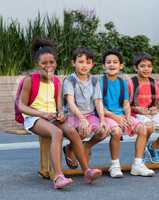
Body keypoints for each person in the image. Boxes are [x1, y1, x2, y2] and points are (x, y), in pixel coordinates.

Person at [17, 38, 101, 189]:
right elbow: (21, 105)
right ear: (37, 64)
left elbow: (59, 106)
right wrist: (41, 113)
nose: (48, 66)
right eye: (44, 63)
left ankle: (86, 170)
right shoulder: (30, 80)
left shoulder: (57, 82)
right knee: (57, 133)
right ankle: (58, 176)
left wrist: (61, 113)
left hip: (51, 117)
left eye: (52, 62)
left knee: (71, 131)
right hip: (34, 118)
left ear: (56, 63)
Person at [100, 49, 155, 177]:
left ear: (121, 66)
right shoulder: (100, 82)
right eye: (108, 62)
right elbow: (99, 107)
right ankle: (115, 165)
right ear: (104, 66)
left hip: (122, 115)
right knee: (117, 132)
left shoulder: (122, 82)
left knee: (142, 129)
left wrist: (128, 116)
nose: (112, 65)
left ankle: (138, 164)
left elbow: (126, 103)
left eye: (115, 62)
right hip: (107, 115)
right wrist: (116, 117)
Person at [62, 47, 109, 168]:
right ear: (74, 63)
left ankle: (86, 146)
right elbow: (70, 103)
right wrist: (82, 119)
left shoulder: (94, 80)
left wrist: (103, 120)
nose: (84, 65)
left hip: (90, 115)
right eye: (81, 62)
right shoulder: (70, 80)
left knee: (103, 131)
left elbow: (98, 102)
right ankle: (70, 148)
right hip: (73, 115)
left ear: (92, 65)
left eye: (88, 62)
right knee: (83, 131)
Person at [127, 52, 159, 163]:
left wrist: (155, 109)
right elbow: (124, 105)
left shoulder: (154, 83)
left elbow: (155, 103)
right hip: (135, 114)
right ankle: (142, 152)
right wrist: (136, 109)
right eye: (142, 66)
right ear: (136, 68)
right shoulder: (131, 83)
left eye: (149, 66)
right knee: (148, 125)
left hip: (151, 113)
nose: (146, 69)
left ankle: (153, 147)